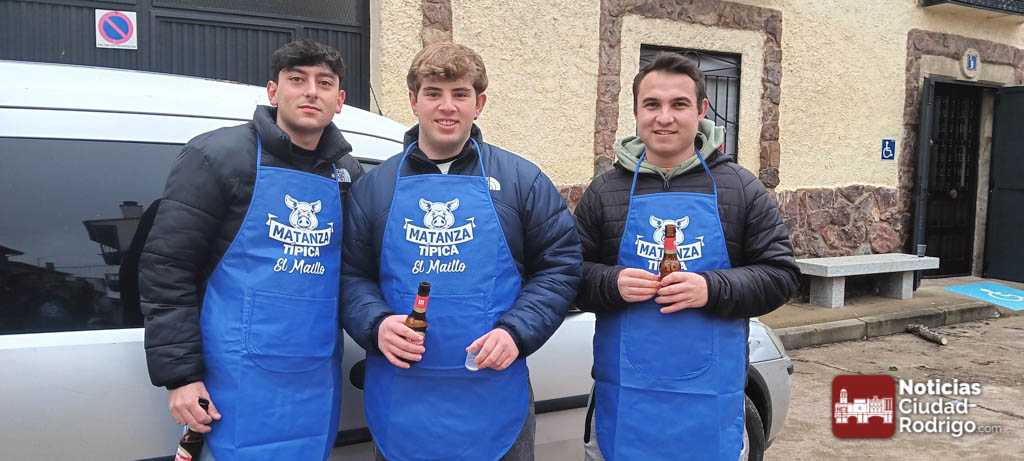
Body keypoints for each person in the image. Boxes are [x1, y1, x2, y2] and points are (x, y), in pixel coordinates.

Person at [341, 41, 581, 461]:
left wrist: (516, 331)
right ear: (414, 100)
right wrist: (375, 324)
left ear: (479, 103)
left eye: (460, 94)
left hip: (494, 398)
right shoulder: (374, 188)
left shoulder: (522, 182)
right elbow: (349, 275)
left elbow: (560, 267)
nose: (447, 106)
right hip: (402, 403)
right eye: (433, 93)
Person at [139, 39, 364, 460]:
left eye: (324, 83)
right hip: (233, 380)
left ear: (339, 100)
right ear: (273, 91)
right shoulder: (217, 157)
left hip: (315, 379)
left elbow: (356, 272)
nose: (311, 91)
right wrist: (181, 376)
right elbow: (167, 268)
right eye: (297, 79)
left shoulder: (346, 173)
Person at [573, 53, 800, 460]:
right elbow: (568, 277)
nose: (664, 118)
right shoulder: (605, 192)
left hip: (710, 408)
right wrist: (611, 282)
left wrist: (711, 288)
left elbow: (781, 276)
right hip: (625, 407)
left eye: (678, 104)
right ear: (636, 111)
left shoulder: (740, 189)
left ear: (701, 110)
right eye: (652, 105)